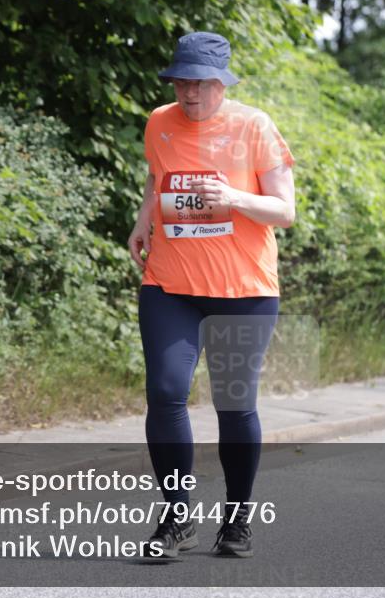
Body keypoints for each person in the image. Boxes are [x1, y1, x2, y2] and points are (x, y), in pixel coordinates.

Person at [127, 31, 296, 559]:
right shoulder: (159, 122)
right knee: (166, 391)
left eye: (200, 82)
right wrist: (142, 220)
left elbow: (285, 211)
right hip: (169, 284)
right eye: (181, 80)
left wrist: (235, 196)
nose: (189, 92)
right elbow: (159, 181)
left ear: (223, 82)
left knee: (234, 404)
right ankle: (177, 519)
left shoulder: (254, 126)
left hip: (242, 290)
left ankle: (237, 519)